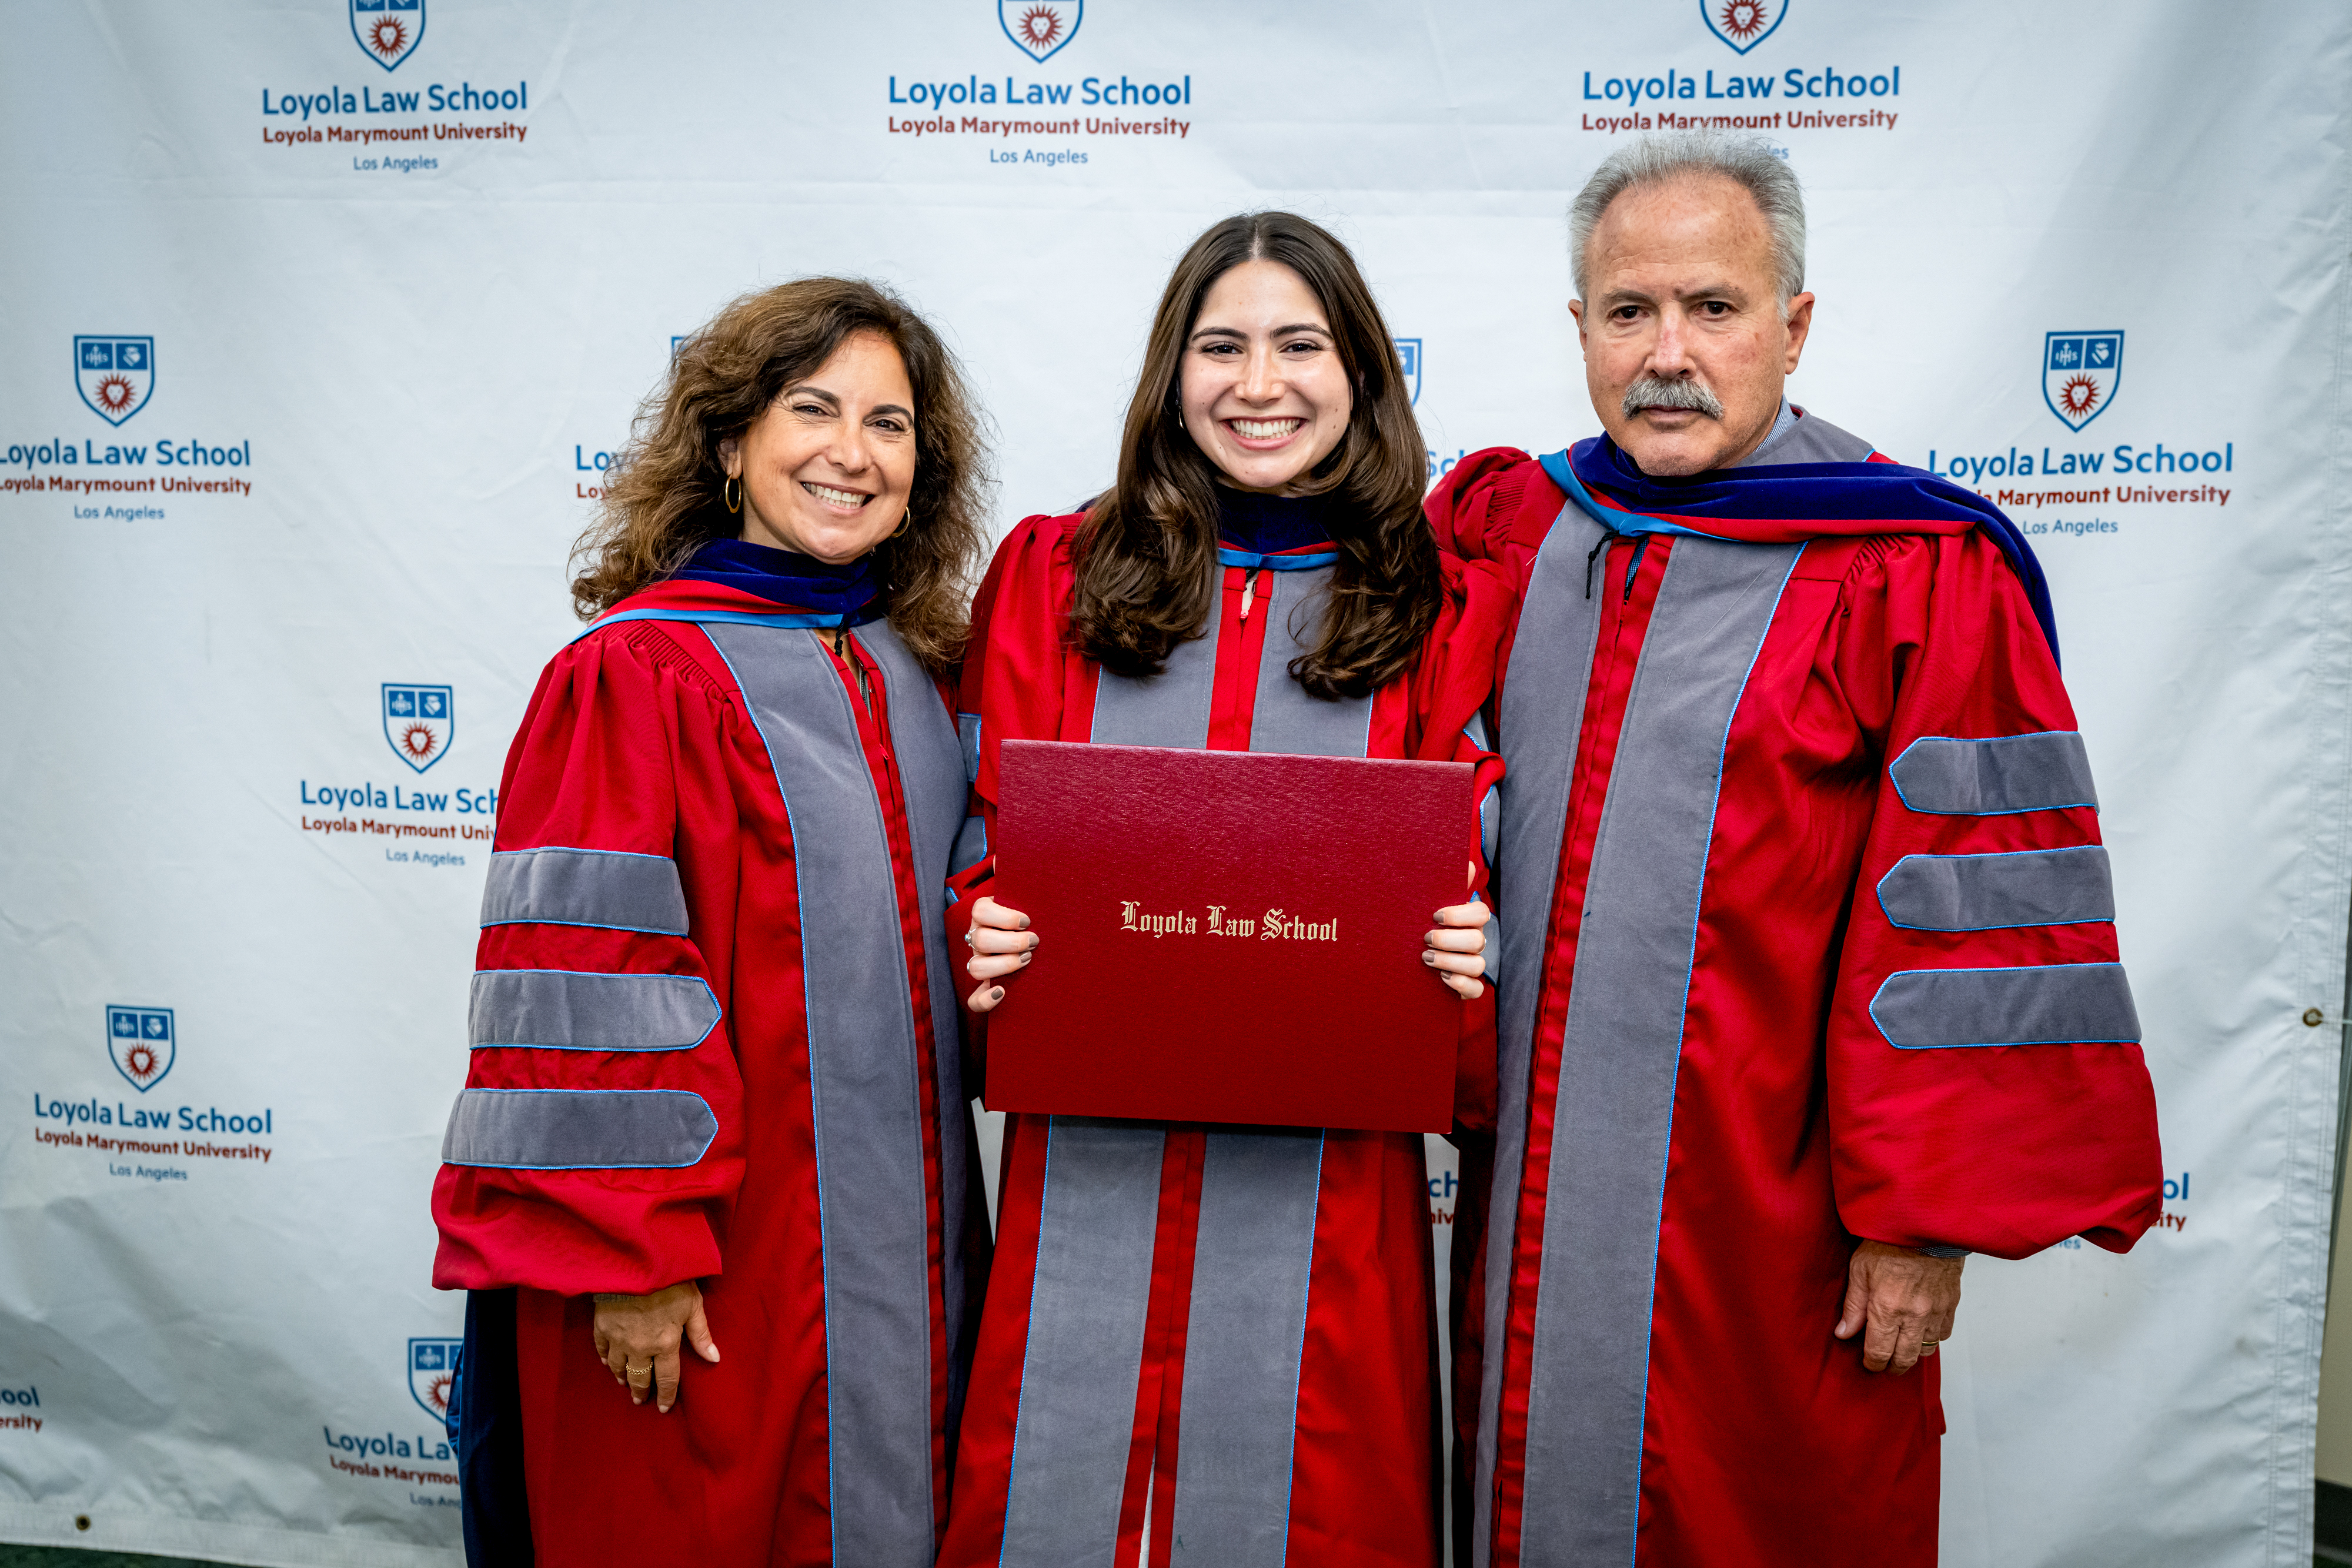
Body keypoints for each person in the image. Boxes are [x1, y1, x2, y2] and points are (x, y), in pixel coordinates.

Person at [1424, 133, 2164, 1568]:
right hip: (1527, 1195)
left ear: (1793, 325)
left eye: (1713, 307)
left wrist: (1920, 1222)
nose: (1668, 352)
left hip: (1769, 1224)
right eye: (1628, 311)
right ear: (1578, 328)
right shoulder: (1528, 529)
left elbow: (1969, 926)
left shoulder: (1909, 566)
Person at [937, 212, 1508, 1568]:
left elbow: (1479, 870)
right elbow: (974, 839)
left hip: (1333, 1196)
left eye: (1300, 344)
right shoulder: (1053, 576)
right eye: (1222, 346)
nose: (1260, 385)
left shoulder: (1443, 606)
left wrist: (1464, 952)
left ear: (1361, 370)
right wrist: (984, 925)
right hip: (1085, 1170)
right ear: (1168, 372)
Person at [428, 278, 992, 1566]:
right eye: (813, 409)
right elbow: (588, 983)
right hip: (706, 1270)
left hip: (896, 1260)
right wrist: (633, 1252)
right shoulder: (635, 672)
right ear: (731, 443)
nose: (852, 452)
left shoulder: (909, 669)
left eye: (890, 423)